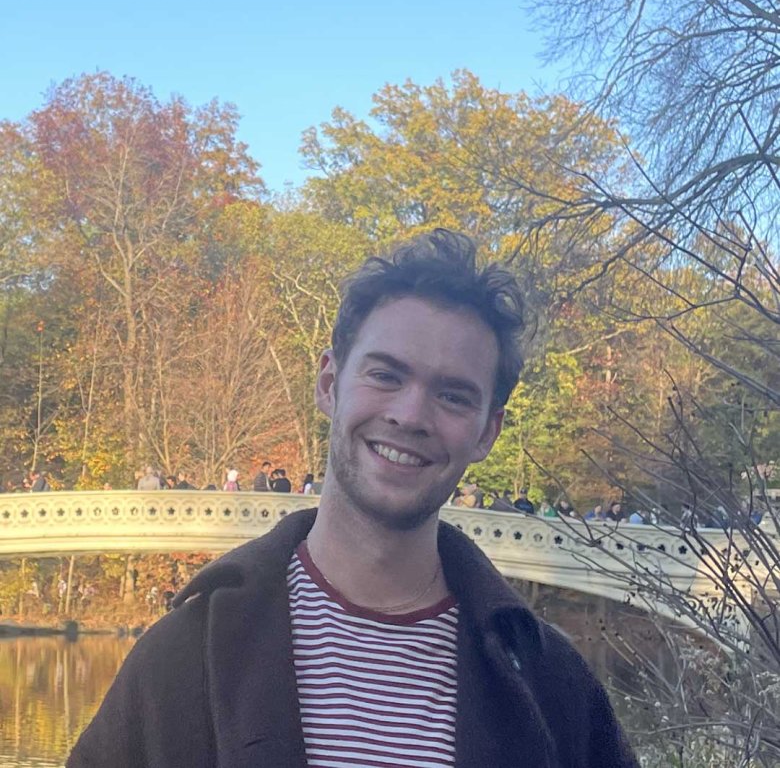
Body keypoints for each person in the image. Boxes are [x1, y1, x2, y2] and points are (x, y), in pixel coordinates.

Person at [69, 229, 637, 767]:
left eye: (453, 395)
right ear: (328, 383)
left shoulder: (549, 688)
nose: (410, 415)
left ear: (488, 431)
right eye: (387, 375)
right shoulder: (181, 663)